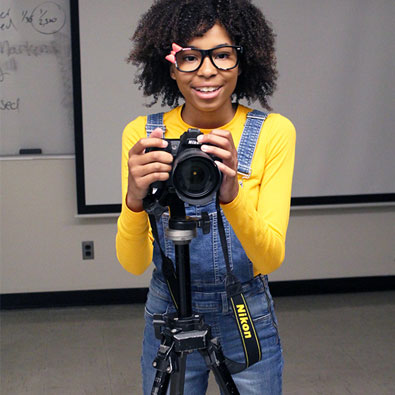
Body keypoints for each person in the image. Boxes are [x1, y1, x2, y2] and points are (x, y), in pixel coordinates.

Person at [116, 0, 295, 393]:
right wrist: (134, 200)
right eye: (190, 57)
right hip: (168, 307)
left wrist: (231, 194)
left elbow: (269, 258)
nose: (207, 70)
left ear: (242, 62)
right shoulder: (144, 134)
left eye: (222, 55)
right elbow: (132, 264)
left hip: (245, 310)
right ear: (170, 66)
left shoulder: (273, 132)